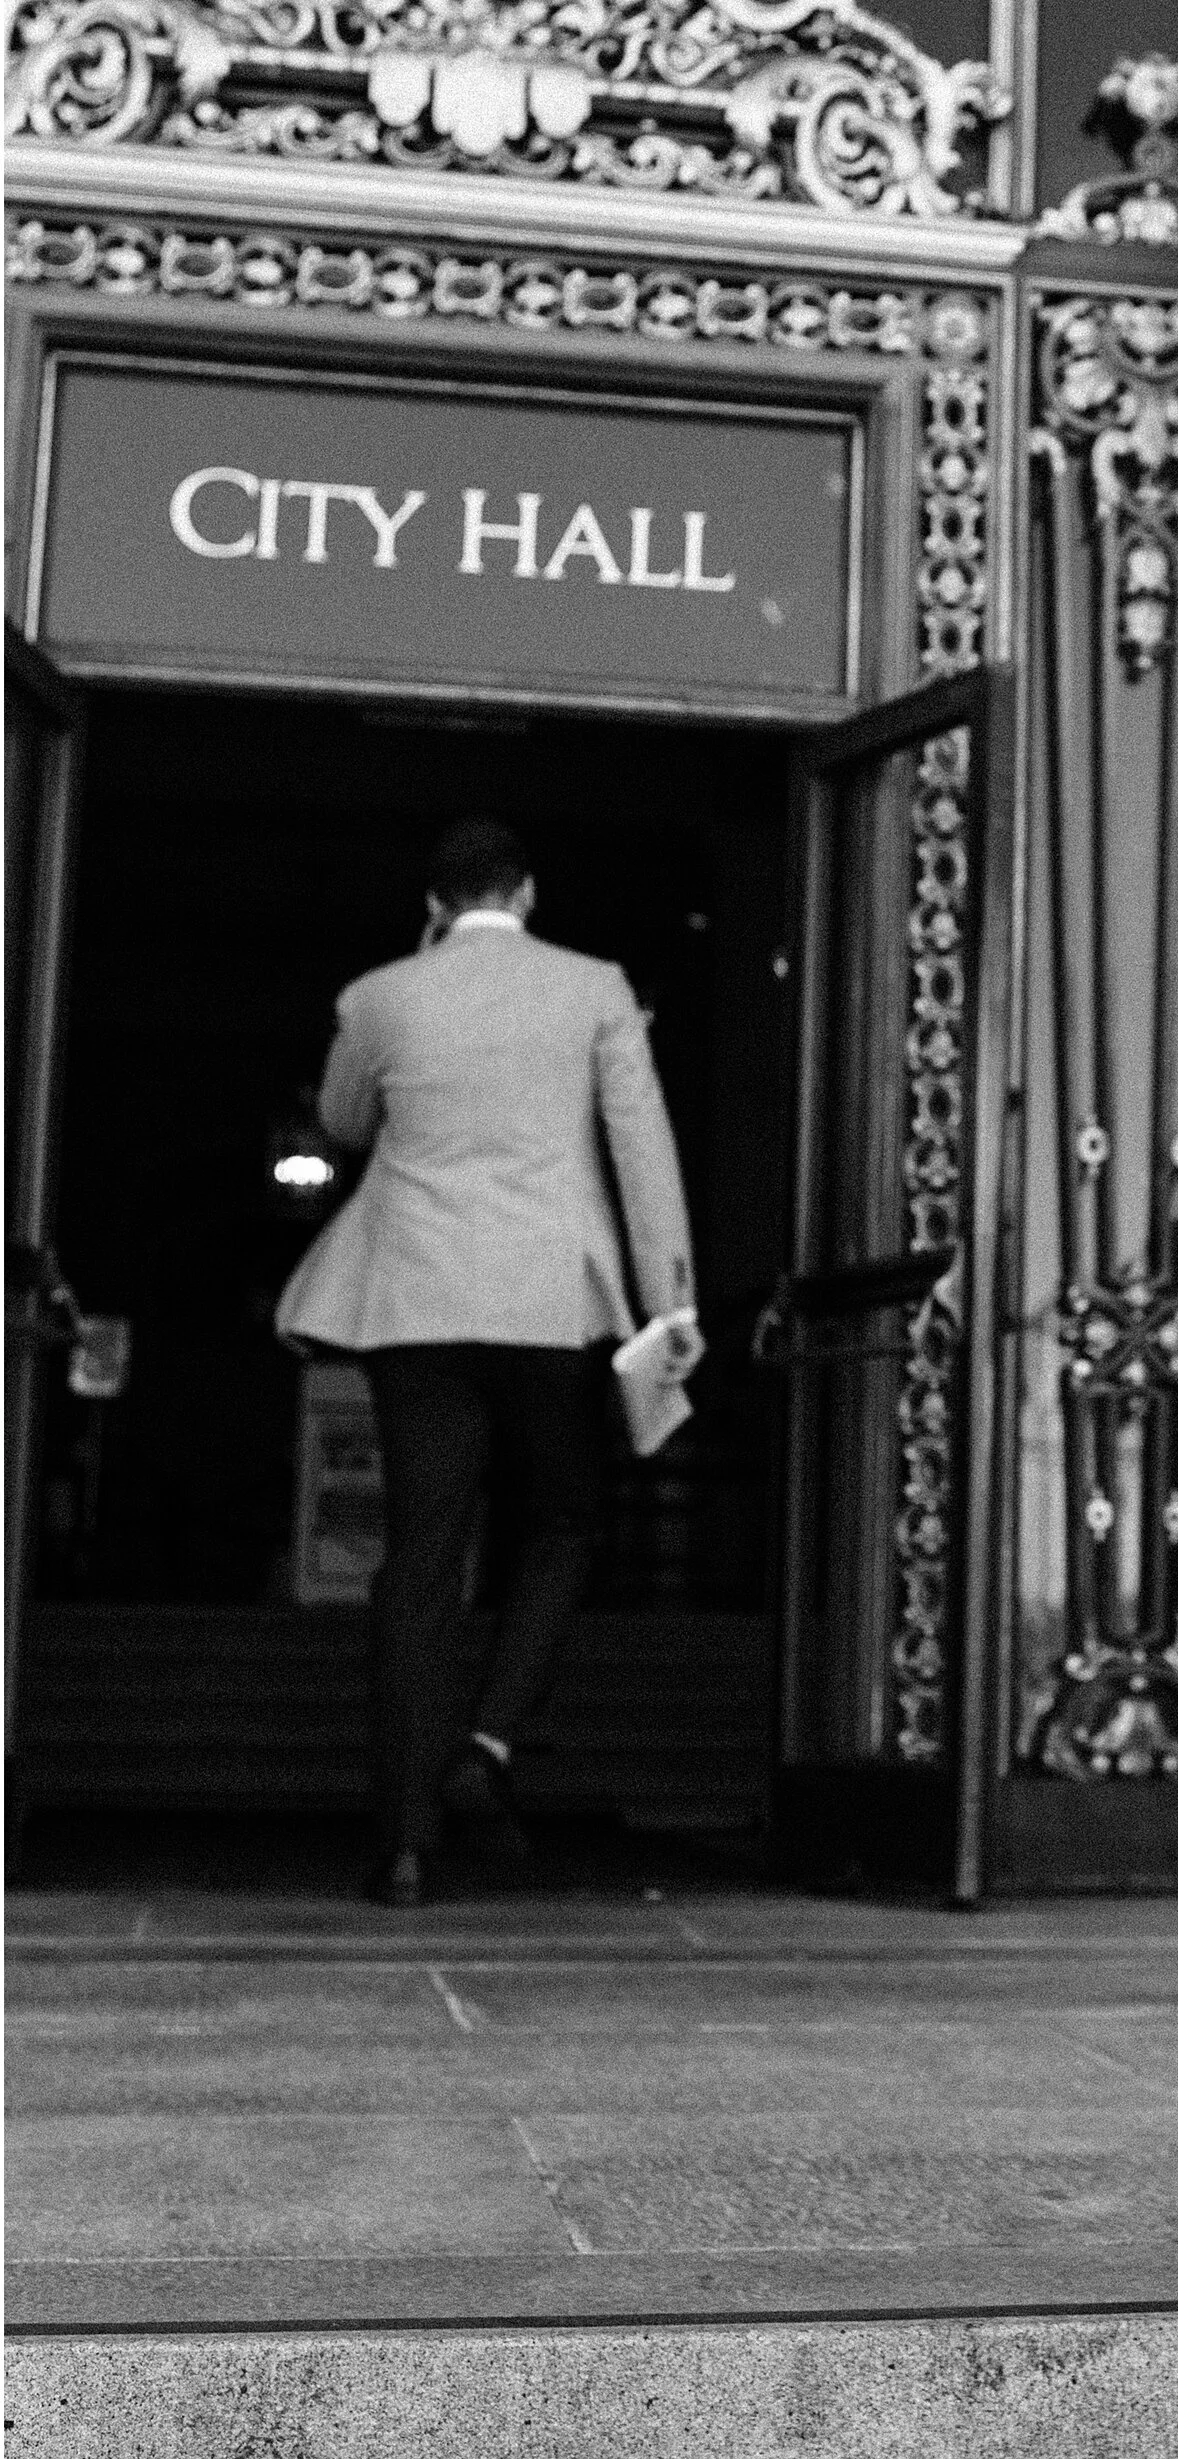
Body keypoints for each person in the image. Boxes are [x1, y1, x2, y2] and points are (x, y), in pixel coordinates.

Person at [278, 815, 699, 1906]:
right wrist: (670, 1302)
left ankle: (402, 1841)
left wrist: (418, 993)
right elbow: (639, 1144)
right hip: (548, 1298)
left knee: (421, 1553)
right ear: (527, 892)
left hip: (412, 1299)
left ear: (433, 903)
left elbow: (341, 1118)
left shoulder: (379, 995)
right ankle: (490, 1741)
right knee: (562, 1520)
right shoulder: (595, 986)